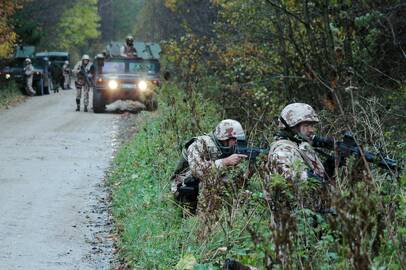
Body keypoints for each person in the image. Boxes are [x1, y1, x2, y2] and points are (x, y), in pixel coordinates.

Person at [171, 119, 249, 215]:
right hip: (184, 186)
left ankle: (231, 213)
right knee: (210, 179)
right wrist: (225, 161)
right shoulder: (199, 144)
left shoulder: (227, 148)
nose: (237, 143)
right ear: (224, 139)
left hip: (201, 185)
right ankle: (204, 216)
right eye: (235, 140)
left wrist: (250, 169)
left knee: (234, 177)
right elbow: (198, 171)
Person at [266, 103, 328, 211]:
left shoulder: (300, 146)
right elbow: (284, 176)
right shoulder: (283, 149)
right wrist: (308, 177)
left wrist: (330, 167)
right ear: (292, 127)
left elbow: (318, 176)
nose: (311, 130)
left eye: (312, 125)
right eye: (306, 125)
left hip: (309, 213)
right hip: (292, 217)